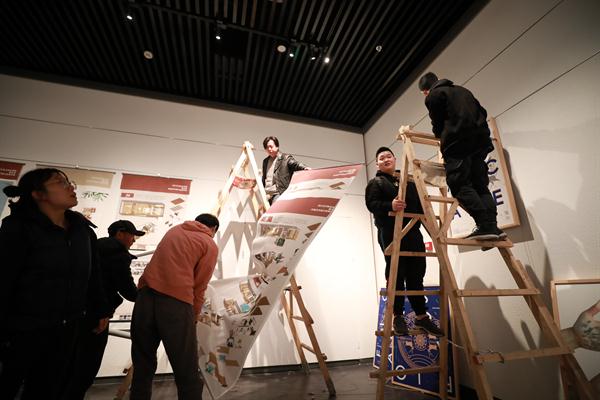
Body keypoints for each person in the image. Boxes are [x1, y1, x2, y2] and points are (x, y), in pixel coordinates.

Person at [0, 168, 110, 400]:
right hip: (23, 328)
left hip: (66, 328)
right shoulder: (18, 228)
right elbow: (4, 278)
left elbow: (93, 274)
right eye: (60, 182)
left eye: (69, 182)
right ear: (38, 194)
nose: (71, 187)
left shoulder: (82, 231)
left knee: (47, 389)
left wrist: (100, 309)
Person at [130, 213, 220, 400]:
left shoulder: (175, 230)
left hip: (145, 298)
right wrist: (194, 314)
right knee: (185, 366)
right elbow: (200, 285)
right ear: (214, 229)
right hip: (176, 303)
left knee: (142, 362)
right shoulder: (209, 244)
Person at [418, 72, 506, 240]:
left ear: (425, 91)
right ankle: (493, 226)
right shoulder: (463, 90)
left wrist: (441, 136)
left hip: (458, 144)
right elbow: (482, 112)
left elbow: (437, 124)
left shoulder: (434, 95)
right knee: (480, 185)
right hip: (480, 144)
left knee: (458, 185)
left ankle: (484, 225)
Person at [365, 147, 443, 337]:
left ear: (394, 159)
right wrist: (389, 205)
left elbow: (421, 207)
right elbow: (371, 204)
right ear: (377, 164)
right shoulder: (376, 182)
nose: (385, 159)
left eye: (388, 156)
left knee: (417, 273)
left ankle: (421, 317)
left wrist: (433, 231)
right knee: (397, 273)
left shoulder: (407, 181)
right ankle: (398, 316)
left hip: (413, 232)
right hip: (390, 232)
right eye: (381, 158)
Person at [69, 220, 145, 399]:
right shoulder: (118, 254)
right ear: (120, 233)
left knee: (72, 361)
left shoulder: (93, 246)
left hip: (76, 312)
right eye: (132, 235)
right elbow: (127, 289)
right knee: (88, 364)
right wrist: (146, 295)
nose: (133, 240)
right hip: (98, 315)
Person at [261, 136, 309, 204]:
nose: (269, 149)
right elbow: (264, 177)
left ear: (277, 146)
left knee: (276, 209)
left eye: (271, 146)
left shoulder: (285, 158)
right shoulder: (265, 161)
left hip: (279, 192)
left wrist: (304, 167)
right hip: (267, 194)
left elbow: (295, 164)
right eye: (266, 147)